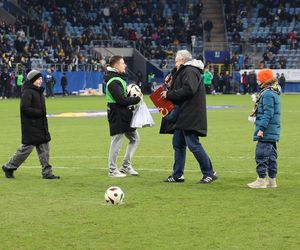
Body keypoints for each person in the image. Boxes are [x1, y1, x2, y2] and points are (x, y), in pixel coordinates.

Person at [160, 50, 218, 184]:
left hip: (190, 114)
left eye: (176, 61)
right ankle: (177, 175)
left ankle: (209, 172)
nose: (175, 64)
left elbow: (189, 90)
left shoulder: (190, 71)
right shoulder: (187, 71)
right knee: (178, 144)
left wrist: (169, 95)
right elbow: (184, 88)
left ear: (182, 60)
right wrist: (170, 85)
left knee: (193, 144)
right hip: (184, 114)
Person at [2, 69, 60, 179]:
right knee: (25, 150)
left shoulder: (39, 91)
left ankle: (47, 173)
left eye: (41, 79)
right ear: (32, 80)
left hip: (40, 126)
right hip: (32, 127)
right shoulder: (28, 92)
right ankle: (9, 167)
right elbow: (24, 108)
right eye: (38, 79)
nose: (40, 81)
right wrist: (40, 113)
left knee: (44, 149)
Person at [105, 55, 142, 177]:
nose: (125, 65)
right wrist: (136, 99)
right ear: (115, 66)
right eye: (122, 63)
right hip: (117, 114)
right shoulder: (113, 81)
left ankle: (125, 165)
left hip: (124, 114)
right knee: (116, 141)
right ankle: (112, 170)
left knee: (135, 138)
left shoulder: (117, 78)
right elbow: (121, 100)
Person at [247, 69, 281, 188]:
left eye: (259, 78)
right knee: (271, 157)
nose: (257, 80)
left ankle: (261, 180)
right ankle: (272, 181)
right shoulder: (272, 92)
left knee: (261, 154)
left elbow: (267, 113)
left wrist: (261, 129)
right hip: (272, 130)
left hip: (266, 130)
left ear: (263, 80)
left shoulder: (267, 94)